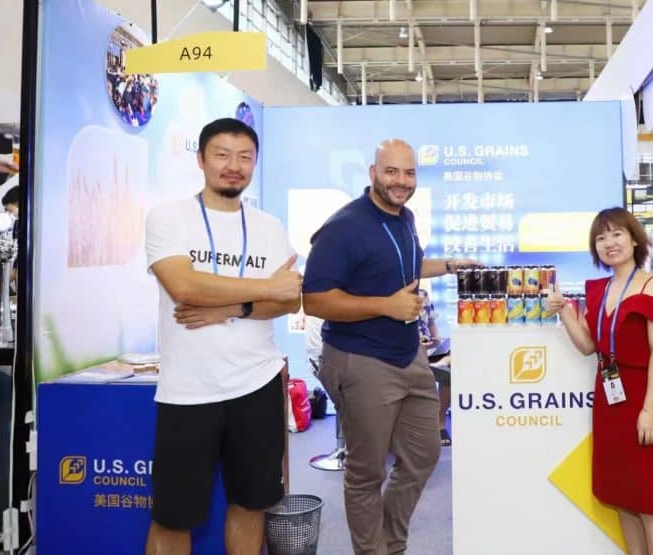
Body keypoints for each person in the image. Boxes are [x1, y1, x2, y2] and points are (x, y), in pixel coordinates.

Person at [301, 138, 476, 555]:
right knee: (366, 473)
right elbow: (316, 299)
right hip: (360, 359)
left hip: (408, 355)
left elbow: (405, 265)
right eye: (392, 172)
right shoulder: (343, 227)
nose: (401, 181)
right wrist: (387, 305)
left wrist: (451, 265)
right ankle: (373, 550)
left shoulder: (405, 217)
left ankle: (389, 542)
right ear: (373, 174)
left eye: (409, 173)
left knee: (424, 454)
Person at [144, 118, 304, 555]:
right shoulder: (169, 217)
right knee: (174, 516)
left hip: (257, 385)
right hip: (188, 391)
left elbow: (290, 300)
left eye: (245, 157)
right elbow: (184, 286)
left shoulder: (268, 226)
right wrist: (266, 287)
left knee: (252, 505)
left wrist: (232, 307)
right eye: (222, 155)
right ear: (200, 160)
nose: (234, 166)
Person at [547, 208, 653, 555]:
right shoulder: (598, 289)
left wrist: (649, 409)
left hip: (643, 398)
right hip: (609, 401)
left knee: (651, 500)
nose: (609, 243)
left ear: (635, 238)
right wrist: (565, 312)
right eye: (600, 238)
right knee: (623, 498)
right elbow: (589, 345)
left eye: (617, 234)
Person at [417, 288, 452, 446]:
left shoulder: (423, 294)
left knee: (450, 370)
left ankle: (440, 423)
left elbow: (430, 322)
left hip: (428, 348)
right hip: (404, 349)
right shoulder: (389, 294)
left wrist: (436, 337)